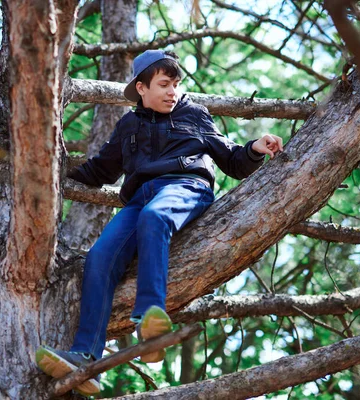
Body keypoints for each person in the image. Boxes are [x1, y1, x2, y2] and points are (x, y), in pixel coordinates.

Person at [35, 50, 283, 396]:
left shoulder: (194, 114)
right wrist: (49, 166)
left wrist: (256, 147)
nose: (172, 92)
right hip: (139, 199)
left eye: (176, 84)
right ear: (141, 88)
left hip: (186, 187)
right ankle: (85, 358)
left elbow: (231, 159)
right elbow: (99, 171)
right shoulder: (128, 127)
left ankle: (151, 321)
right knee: (99, 258)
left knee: (155, 218)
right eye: (164, 85)